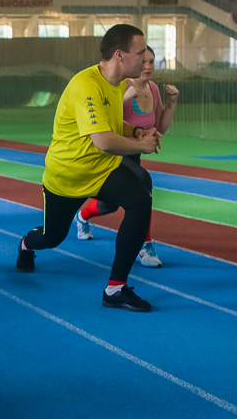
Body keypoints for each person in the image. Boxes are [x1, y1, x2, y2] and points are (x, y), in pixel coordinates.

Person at [15, 24, 161, 313]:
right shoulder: (86, 85)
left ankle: (116, 288)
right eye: (141, 53)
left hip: (102, 169)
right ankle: (26, 245)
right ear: (120, 55)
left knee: (141, 199)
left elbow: (111, 125)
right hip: (67, 174)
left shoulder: (117, 83)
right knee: (52, 237)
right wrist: (142, 146)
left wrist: (135, 133)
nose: (146, 60)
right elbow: (104, 140)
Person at [74, 46, 179, 268]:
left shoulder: (152, 89)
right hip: (112, 156)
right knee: (144, 183)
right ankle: (145, 245)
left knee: (108, 206)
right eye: (143, 62)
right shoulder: (118, 87)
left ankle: (83, 216)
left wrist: (171, 104)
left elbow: (160, 126)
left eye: (152, 62)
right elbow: (103, 124)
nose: (148, 66)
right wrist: (122, 100)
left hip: (133, 156)